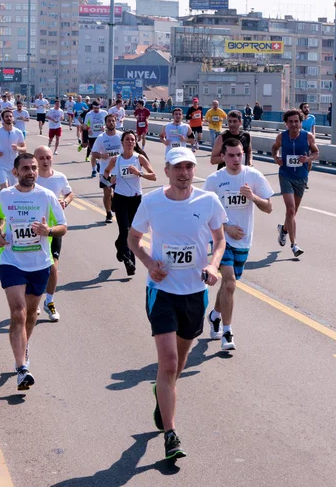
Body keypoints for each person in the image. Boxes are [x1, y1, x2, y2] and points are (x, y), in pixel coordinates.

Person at [128, 147, 226, 460]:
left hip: (195, 293)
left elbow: (220, 239)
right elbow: (133, 239)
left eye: (189, 167)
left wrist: (212, 265)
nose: (184, 173)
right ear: (167, 171)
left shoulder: (208, 200)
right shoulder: (152, 201)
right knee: (168, 363)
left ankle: (162, 391)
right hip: (162, 291)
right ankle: (170, 433)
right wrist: (147, 261)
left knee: (177, 365)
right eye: (177, 167)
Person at [0, 153, 67, 390]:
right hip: (11, 261)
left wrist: (49, 230)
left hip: (39, 263)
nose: (31, 171)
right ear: (15, 172)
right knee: (18, 312)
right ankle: (21, 368)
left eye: (34, 168)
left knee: (32, 314)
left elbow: (63, 227)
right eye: (25, 168)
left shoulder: (47, 196)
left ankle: (24, 345)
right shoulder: (6, 195)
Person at [204, 138, 273, 350]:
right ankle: (227, 332)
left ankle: (215, 315)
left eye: (239, 154)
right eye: (231, 155)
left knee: (228, 286)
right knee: (230, 281)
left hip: (244, 240)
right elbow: (207, 214)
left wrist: (253, 197)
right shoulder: (214, 180)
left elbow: (269, 207)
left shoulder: (253, 176)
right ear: (223, 157)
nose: (236, 159)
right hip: (221, 239)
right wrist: (227, 228)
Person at [104, 130, 156, 274]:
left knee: (133, 232)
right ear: (122, 142)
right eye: (127, 139)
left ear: (135, 142)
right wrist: (110, 180)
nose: (130, 142)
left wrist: (139, 173)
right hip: (120, 198)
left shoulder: (139, 158)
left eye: (132, 140)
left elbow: (154, 176)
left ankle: (119, 245)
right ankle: (129, 261)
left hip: (136, 199)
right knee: (124, 229)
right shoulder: (116, 159)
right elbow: (106, 172)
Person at [271, 108, 319, 258]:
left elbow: (316, 153)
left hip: (301, 176)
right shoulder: (281, 137)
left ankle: (283, 229)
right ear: (286, 124)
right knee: (290, 210)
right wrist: (276, 158)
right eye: (290, 122)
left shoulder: (308, 137)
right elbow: (274, 148)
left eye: (296, 121)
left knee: (293, 212)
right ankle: (294, 245)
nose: (294, 124)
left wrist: (308, 159)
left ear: (301, 122)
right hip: (285, 175)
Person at [34, 146, 73, 322]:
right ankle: (33, 301)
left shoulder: (59, 177)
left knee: (53, 267)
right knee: (34, 268)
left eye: (47, 157)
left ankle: (49, 302)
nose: (45, 160)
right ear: (35, 160)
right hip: (33, 230)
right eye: (41, 158)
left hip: (54, 229)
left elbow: (70, 193)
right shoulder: (29, 179)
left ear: (52, 159)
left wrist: (65, 201)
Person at [91, 114, 123, 223]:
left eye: (113, 121)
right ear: (106, 123)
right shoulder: (101, 137)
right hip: (105, 170)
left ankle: (114, 203)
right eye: (109, 121)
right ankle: (108, 213)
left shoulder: (121, 136)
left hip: (118, 170)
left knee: (118, 192)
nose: (111, 123)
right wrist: (101, 156)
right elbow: (93, 152)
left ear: (116, 122)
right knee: (107, 192)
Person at [0, 110, 26, 190]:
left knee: (12, 190)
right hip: (1, 165)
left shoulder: (18, 132)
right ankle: (1, 202)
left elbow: (24, 148)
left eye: (10, 116)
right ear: (3, 118)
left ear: (13, 118)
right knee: (4, 187)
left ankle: (4, 202)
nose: (9, 118)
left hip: (13, 166)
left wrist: (18, 148)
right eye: (6, 116)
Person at [84, 100, 108, 175]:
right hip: (92, 136)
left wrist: (104, 126)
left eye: (98, 108)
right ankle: (94, 170)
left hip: (102, 136)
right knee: (94, 153)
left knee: (102, 152)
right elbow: (86, 125)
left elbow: (108, 123)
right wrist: (89, 129)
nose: (96, 110)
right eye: (95, 108)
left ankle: (99, 164)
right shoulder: (89, 114)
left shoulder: (104, 113)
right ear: (92, 107)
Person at [300, 102, 316, 184]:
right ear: (301, 109)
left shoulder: (312, 117)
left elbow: (313, 129)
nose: (307, 109)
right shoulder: (299, 118)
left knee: (309, 162)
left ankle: (305, 178)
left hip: (309, 142)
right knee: (300, 161)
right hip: (300, 141)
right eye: (305, 107)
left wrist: (313, 137)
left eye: (307, 107)